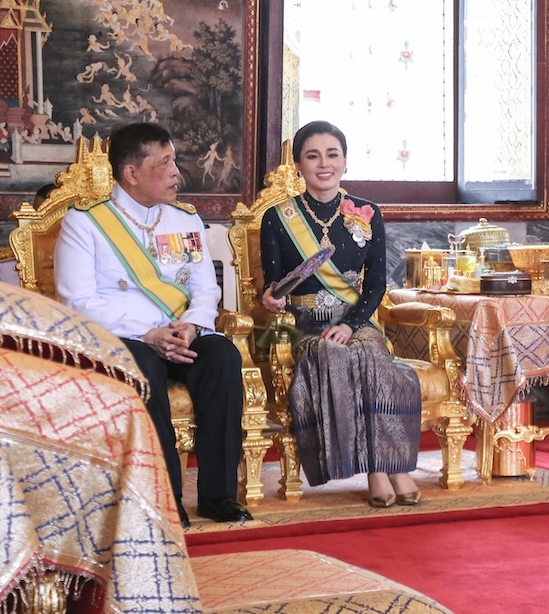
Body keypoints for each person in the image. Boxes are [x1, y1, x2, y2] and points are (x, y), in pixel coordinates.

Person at [54, 122, 251, 526]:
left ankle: (218, 496)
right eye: (165, 163)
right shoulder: (86, 222)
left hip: (182, 333)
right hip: (127, 338)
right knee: (143, 366)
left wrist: (193, 326)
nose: (178, 171)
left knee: (224, 357)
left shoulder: (184, 220)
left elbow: (204, 288)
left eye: (174, 160)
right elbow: (77, 301)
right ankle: (165, 499)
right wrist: (149, 333)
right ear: (132, 173)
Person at [260, 120, 422, 508]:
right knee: (332, 354)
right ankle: (377, 467)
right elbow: (272, 284)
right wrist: (272, 298)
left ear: (345, 161)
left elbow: (377, 284)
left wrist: (350, 324)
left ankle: (388, 467)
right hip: (303, 326)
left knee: (370, 353)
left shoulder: (368, 213)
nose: (324, 163)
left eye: (332, 154)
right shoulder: (277, 217)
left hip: (355, 320)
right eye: (312, 156)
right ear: (298, 164)